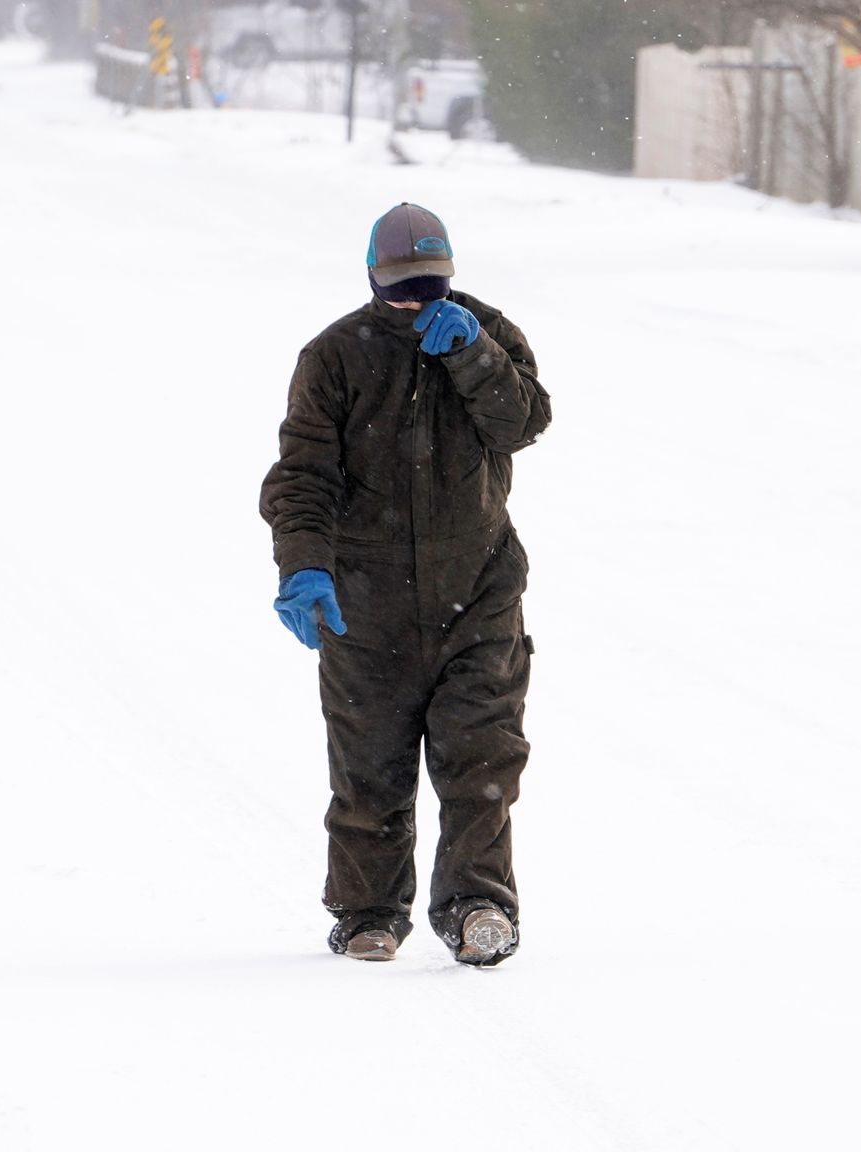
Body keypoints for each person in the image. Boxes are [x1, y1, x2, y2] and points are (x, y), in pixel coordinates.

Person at [259, 203, 552, 966]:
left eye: (430, 286)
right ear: (370, 278)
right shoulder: (334, 357)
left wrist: (476, 357)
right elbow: (303, 475)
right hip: (368, 599)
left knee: (481, 756)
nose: (416, 302)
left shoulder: (487, 332)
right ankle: (367, 913)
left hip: (479, 590)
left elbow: (523, 423)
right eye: (400, 288)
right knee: (370, 767)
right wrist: (305, 564)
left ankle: (479, 904)